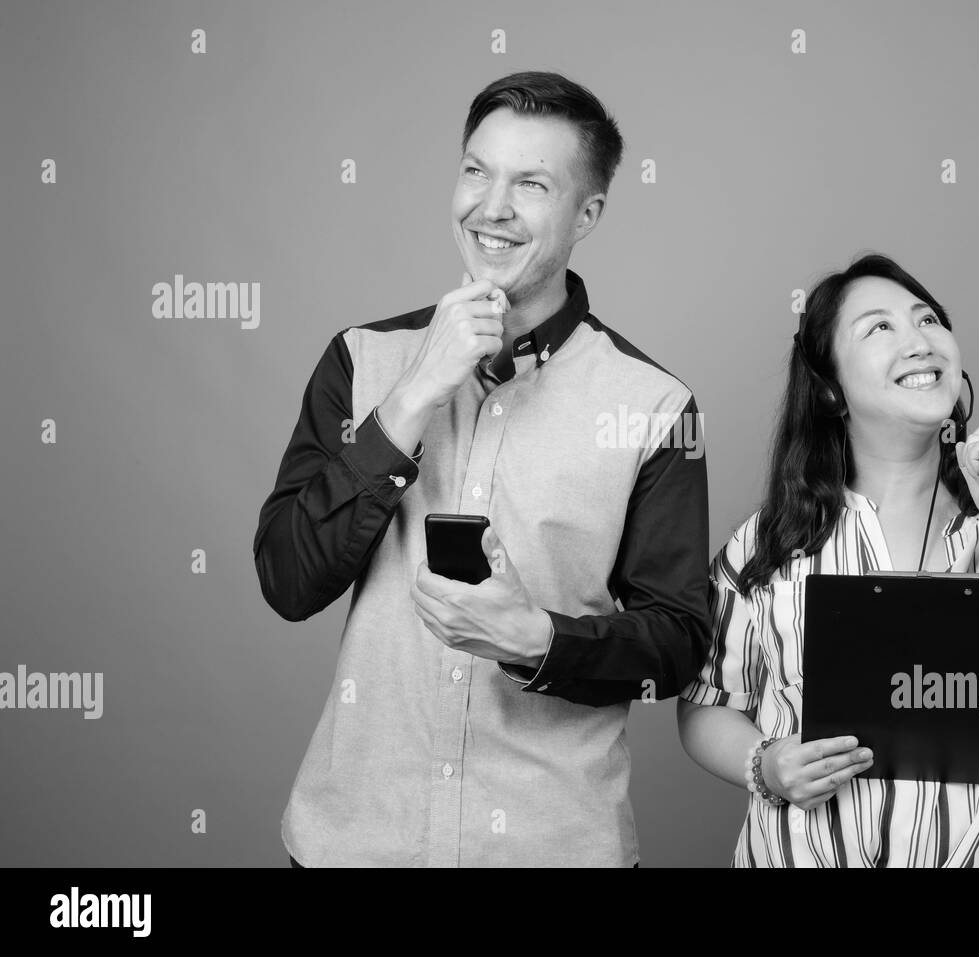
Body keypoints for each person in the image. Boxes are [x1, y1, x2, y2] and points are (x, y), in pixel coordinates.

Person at [255, 71, 710, 867]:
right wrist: (412, 397)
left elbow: (677, 640)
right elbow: (289, 579)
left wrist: (539, 641)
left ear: (587, 213)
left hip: (554, 846)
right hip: (353, 841)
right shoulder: (362, 361)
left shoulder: (657, 406)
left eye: (531, 183)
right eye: (476, 170)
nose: (490, 207)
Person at [676, 253, 979, 867]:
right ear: (829, 388)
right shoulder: (767, 544)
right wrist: (764, 766)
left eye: (927, 319)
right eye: (879, 328)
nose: (918, 341)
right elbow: (706, 704)